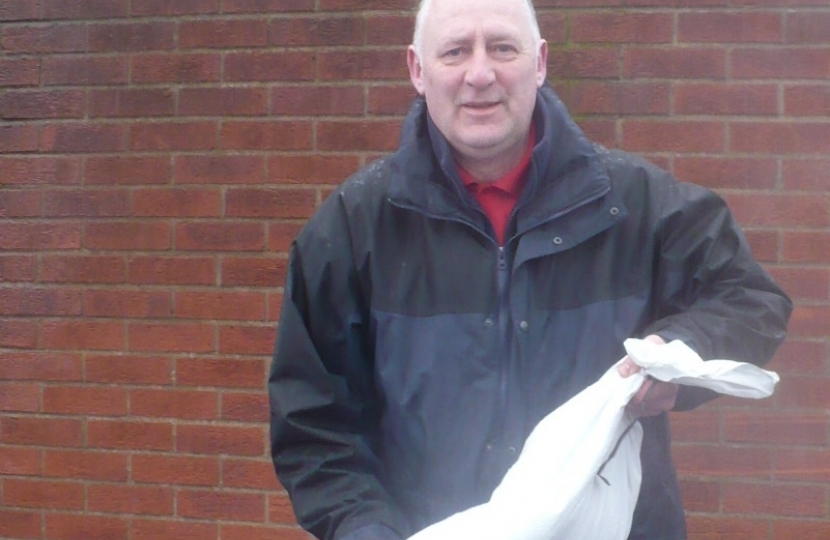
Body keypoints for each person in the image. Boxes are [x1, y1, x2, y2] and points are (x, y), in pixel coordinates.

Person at [268, 0, 792, 538]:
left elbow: (750, 300)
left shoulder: (637, 204)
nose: (479, 74)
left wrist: (678, 353)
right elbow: (314, 427)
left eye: (502, 47)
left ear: (539, 62)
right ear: (417, 70)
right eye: (454, 51)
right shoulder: (352, 229)